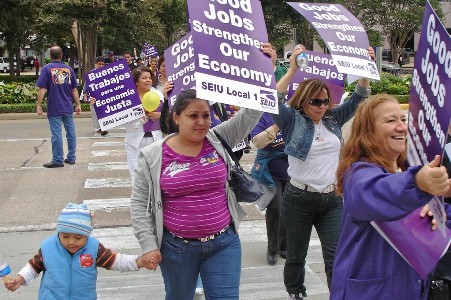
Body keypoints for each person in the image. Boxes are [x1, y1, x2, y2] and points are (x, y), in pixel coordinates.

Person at [129, 40, 271, 297]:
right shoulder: (153, 155)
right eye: (193, 116)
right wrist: (148, 245)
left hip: (224, 244)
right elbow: (140, 204)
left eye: (205, 115)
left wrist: (265, 71)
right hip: (176, 249)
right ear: (176, 117)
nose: (201, 122)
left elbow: (251, 114)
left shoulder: (218, 138)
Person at [272, 45, 373, 299]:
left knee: (336, 255)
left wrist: (364, 69)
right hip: (298, 200)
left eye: (325, 101)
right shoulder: (291, 120)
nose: (321, 106)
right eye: (315, 101)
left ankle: (337, 294)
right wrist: (293, 69)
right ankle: (296, 293)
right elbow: (274, 100)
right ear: (304, 101)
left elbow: (358, 98)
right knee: (296, 256)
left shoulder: (332, 119)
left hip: (332, 200)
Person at [330, 94, 451, 300]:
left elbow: (439, 216)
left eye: (403, 119)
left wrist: (439, 213)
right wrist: (418, 183)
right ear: (367, 131)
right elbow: (374, 191)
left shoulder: (407, 168)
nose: (401, 127)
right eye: (390, 121)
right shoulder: (358, 173)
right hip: (370, 292)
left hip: (410, 287)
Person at [3, 203, 148, 298]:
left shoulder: (94, 248)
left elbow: (116, 261)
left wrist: (139, 261)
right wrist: (20, 279)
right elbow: (33, 267)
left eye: (78, 238)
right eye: (65, 236)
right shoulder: (48, 247)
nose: (71, 242)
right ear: (59, 232)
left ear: (87, 235)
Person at [36, 46, 81, 168]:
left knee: (56, 134)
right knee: (71, 133)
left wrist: (39, 105)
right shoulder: (68, 69)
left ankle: (57, 159)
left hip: (54, 106)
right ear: (61, 55)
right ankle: (71, 158)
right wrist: (78, 104)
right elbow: (74, 89)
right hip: (67, 106)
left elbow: (42, 89)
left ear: (50, 56)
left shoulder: (46, 69)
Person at [124, 66, 164, 182]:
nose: (148, 80)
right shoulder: (127, 97)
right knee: (136, 176)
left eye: (150, 78)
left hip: (154, 140)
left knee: (155, 175)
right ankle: (140, 199)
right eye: (144, 78)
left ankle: (154, 199)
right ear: (136, 81)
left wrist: (160, 115)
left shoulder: (158, 95)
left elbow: (169, 114)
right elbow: (115, 119)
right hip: (134, 141)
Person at [84, 56, 108, 136]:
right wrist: (85, 94)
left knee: (104, 112)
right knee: (95, 113)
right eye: (99, 64)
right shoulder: (91, 74)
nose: (101, 66)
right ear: (96, 64)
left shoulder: (107, 73)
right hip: (94, 96)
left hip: (105, 96)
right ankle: (100, 127)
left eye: (102, 64)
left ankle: (103, 127)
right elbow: (86, 85)